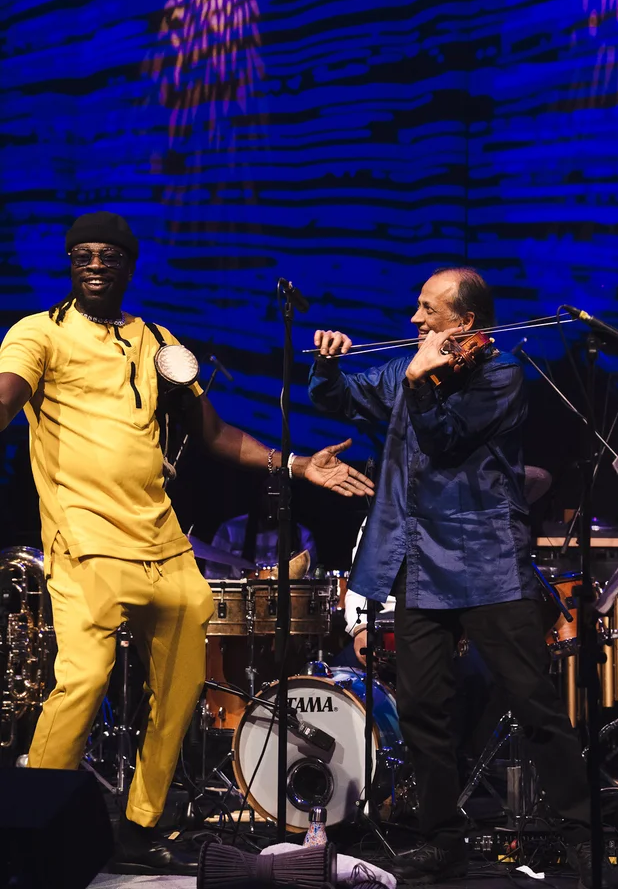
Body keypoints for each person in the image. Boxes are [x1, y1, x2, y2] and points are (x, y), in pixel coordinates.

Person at [0, 211, 373, 876]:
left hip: (162, 544)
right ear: (69, 262)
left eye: (107, 256)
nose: (94, 265)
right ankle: (34, 821)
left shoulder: (158, 340)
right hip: (85, 538)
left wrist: (295, 465)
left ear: (127, 265)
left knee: (178, 692)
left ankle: (140, 824)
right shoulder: (39, 333)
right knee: (82, 680)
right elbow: (9, 392)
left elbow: (213, 432)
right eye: (82, 254)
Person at [309, 267, 618, 889]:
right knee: (424, 708)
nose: (415, 319)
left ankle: (583, 828)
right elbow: (338, 399)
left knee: (532, 702)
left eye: (428, 309)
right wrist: (329, 365)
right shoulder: (408, 370)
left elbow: (445, 438)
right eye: (418, 308)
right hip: (418, 560)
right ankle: (442, 839)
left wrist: (422, 383)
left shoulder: (502, 375)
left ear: (465, 322)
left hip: (485, 560)